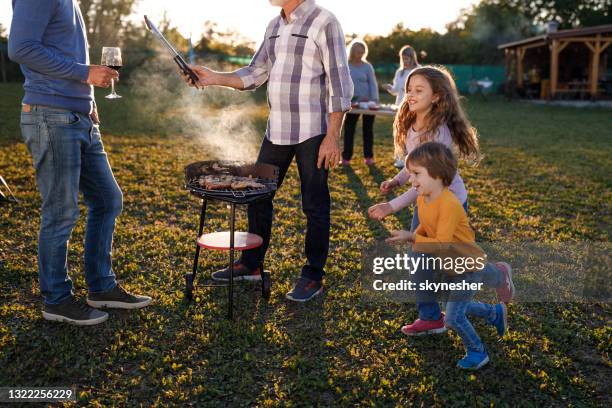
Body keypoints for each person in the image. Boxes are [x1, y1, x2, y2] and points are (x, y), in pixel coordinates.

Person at [183, 0, 353, 302]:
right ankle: (252, 264)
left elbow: (340, 83)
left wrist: (332, 136)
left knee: (314, 205)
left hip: (313, 131)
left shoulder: (324, 20)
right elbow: (254, 73)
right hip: (277, 130)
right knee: (256, 195)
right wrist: (213, 77)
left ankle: (313, 275)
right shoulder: (274, 26)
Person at [9, 0, 151, 326]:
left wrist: (88, 101)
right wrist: (84, 73)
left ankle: (101, 288)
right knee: (60, 212)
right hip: (50, 115)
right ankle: (56, 299)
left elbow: (64, 51)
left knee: (107, 199)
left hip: (80, 116)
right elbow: (21, 48)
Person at [386, 142, 515, 370]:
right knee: (452, 303)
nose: (411, 179)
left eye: (416, 174)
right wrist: (414, 236)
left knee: (453, 317)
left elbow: (442, 245)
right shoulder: (423, 198)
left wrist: (412, 238)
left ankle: (478, 351)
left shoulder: (449, 205)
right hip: (452, 266)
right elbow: (424, 227)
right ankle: (494, 313)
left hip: (467, 267)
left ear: (437, 175)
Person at [368, 65, 479, 233]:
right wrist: (397, 180)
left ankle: (490, 262)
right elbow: (415, 164)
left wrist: (391, 206)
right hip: (425, 200)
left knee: (448, 257)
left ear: (436, 96)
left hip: (449, 203)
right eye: (409, 89)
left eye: (419, 90)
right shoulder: (411, 125)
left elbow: (428, 181)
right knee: (420, 255)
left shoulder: (438, 134)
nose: (411, 95)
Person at [342, 40, 379, 166]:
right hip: (352, 104)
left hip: (368, 103)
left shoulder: (367, 66)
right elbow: (342, 84)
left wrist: (374, 100)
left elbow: (373, 84)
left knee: (368, 130)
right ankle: (346, 157)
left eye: (362, 52)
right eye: (358, 52)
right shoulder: (346, 65)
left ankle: (369, 156)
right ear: (352, 51)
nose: (360, 55)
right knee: (349, 130)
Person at [383, 45, 420, 168]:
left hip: (414, 106)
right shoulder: (400, 72)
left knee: (412, 133)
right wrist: (390, 88)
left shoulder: (418, 70)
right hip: (400, 106)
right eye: (403, 59)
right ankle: (400, 159)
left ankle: (412, 159)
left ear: (412, 58)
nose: (405, 61)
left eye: (407, 59)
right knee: (400, 132)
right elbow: (395, 90)